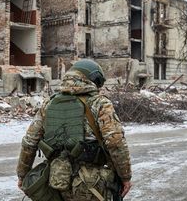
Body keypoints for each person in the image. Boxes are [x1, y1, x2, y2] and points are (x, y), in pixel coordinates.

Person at [16, 59, 132, 201]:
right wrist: (125, 177)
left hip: (57, 179)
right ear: (94, 79)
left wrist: (22, 175)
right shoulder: (100, 103)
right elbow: (115, 143)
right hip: (92, 184)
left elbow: (29, 142)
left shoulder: (49, 103)